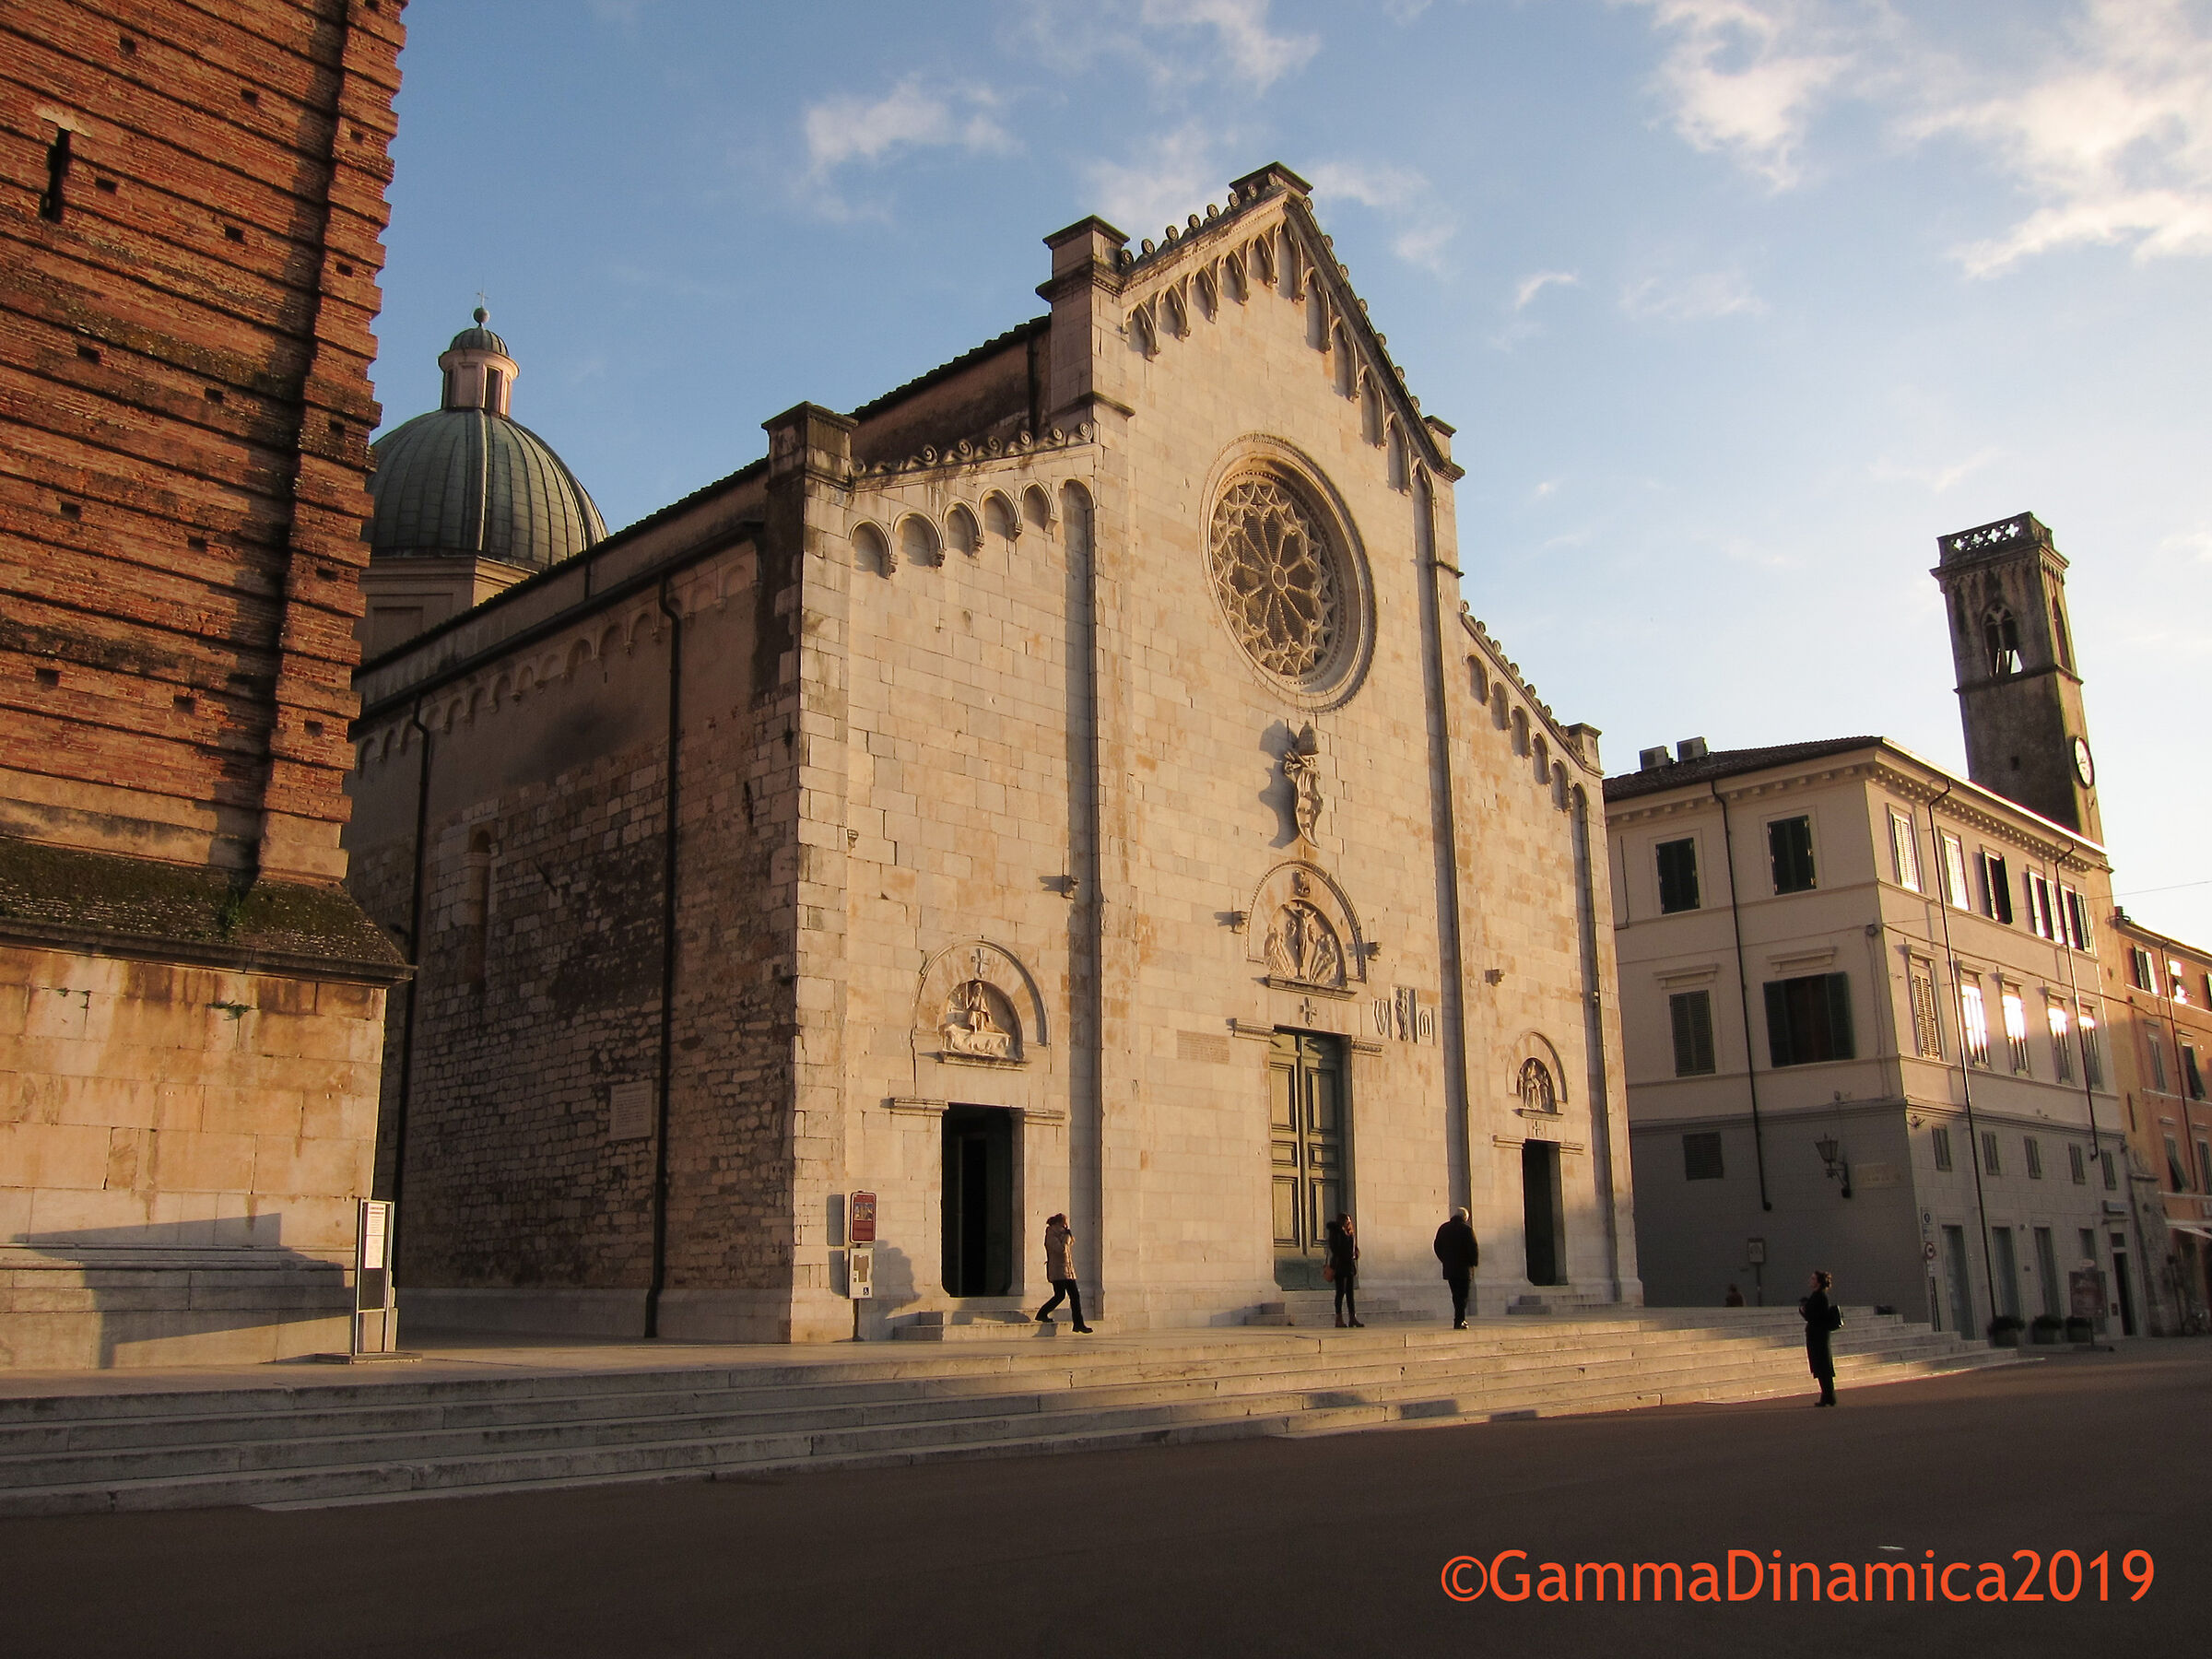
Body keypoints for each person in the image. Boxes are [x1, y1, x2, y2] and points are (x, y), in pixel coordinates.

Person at [1035, 1213, 1092, 1332]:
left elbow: (1070, 1245)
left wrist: (1068, 1236)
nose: (1066, 1225)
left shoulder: (1062, 1234)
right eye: (1064, 1222)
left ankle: (1078, 1323)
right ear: (1059, 1222)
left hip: (1067, 1270)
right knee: (1060, 1295)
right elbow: (1061, 1250)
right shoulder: (1051, 1234)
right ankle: (1042, 1313)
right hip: (1058, 1271)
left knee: (1074, 1296)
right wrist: (1066, 1237)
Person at [1433, 1207, 1479, 1328]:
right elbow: (1473, 1248)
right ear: (1465, 1218)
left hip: (1450, 1268)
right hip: (1464, 1269)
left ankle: (1458, 1319)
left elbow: (1437, 1246)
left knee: (1455, 1295)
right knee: (1463, 1296)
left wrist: (1445, 1260)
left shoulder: (1443, 1228)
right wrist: (1473, 1263)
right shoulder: (1467, 1230)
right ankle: (1460, 1320)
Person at [1800, 1269, 1841, 1406]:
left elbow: (1816, 1316)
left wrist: (1805, 1311)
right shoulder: (1817, 1295)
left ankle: (1829, 1395)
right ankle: (1827, 1395)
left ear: (1818, 1282)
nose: (1810, 1281)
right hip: (1817, 1334)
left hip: (1818, 1335)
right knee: (1820, 1365)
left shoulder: (1820, 1296)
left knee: (1822, 1365)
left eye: (1813, 1279)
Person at [1325, 1212, 1362, 1327]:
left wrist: (1356, 1253)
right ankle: (1338, 1318)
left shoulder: (1350, 1233)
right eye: (1347, 1220)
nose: (1349, 1222)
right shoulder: (1336, 1232)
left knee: (1350, 1294)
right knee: (1340, 1292)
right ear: (1341, 1221)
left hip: (1349, 1266)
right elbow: (1334, 1248)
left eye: (1349, 1220)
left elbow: (1353, 1247)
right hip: (1339, 1266)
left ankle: (1352, 1318)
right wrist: (1345, 1253)